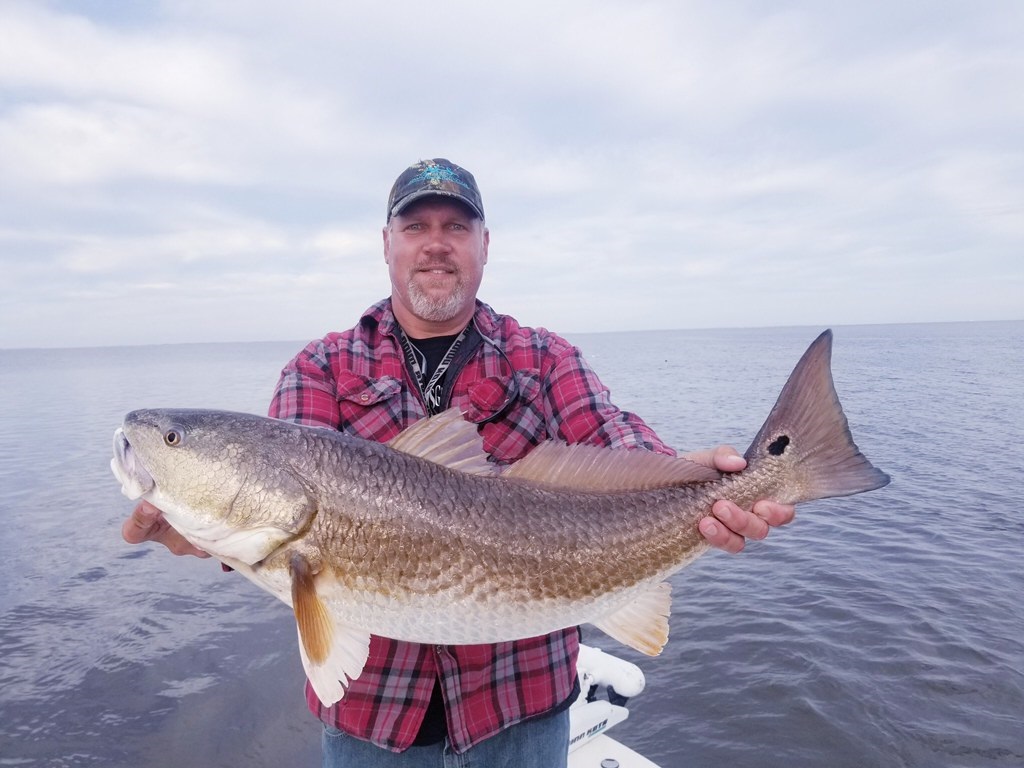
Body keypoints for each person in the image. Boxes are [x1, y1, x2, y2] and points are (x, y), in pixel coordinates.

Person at [122, 159, 796, 767]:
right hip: (374, 727)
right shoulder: (318, 370)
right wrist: (207, 537)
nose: (436, 243)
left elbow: (622, 451)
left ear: (484, 246)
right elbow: (264, 522)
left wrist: (708, 479)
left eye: (455, 226)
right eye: (415, 226)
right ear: (386, 244)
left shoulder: (542, 359)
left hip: (522, 716)